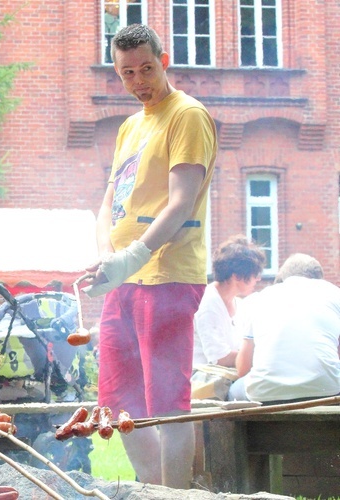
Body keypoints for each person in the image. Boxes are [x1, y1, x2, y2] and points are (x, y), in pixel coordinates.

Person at [82, 24, 217, 488]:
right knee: (119, 401)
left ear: (163, 61)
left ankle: (174, 496)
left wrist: (132, 255)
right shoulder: (130, 126)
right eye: (126, 73)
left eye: (145, 68)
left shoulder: (188, 115)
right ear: (116, 74)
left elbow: (181, 202)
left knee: (167, 401)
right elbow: (109, 203)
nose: (138, 80)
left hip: (169, 276)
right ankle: (150, 491)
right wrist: (107, 257)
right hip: (125, 278)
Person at [229, 254, 340, 403]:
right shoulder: (333, 293)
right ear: (318, 279)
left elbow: (243, 368)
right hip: (329, 391)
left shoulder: (258, 299)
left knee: (233, 390)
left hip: (264, 394)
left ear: (282, 278)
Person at [193, 236, 265, 367]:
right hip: (205, 382)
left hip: (227, 379)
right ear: (236, 275)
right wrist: (266, 357)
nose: (258, 279)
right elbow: (220, 358)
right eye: (255, 274)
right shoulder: (208, 302)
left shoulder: (239, 303)